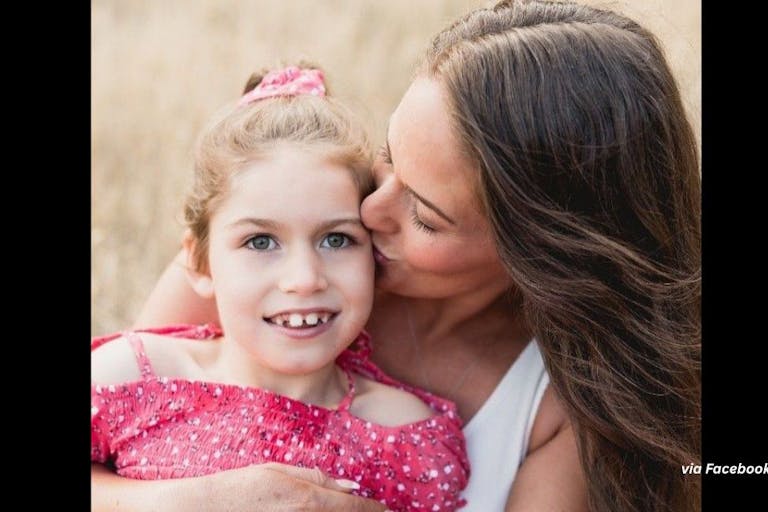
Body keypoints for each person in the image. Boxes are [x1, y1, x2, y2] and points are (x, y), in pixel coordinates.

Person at [92, 1, 701, 511]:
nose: (369, 210)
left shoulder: (568, 410)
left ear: (538, 253)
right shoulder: (277, 251)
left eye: (425, 215)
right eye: (389, 158)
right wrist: (190, 499)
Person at [91, 65, 470, 512]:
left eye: (337, 239)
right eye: (260, 241)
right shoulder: (130, 378)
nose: (304, 278)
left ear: (374, 254)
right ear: (200, 262)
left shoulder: (407, 439)